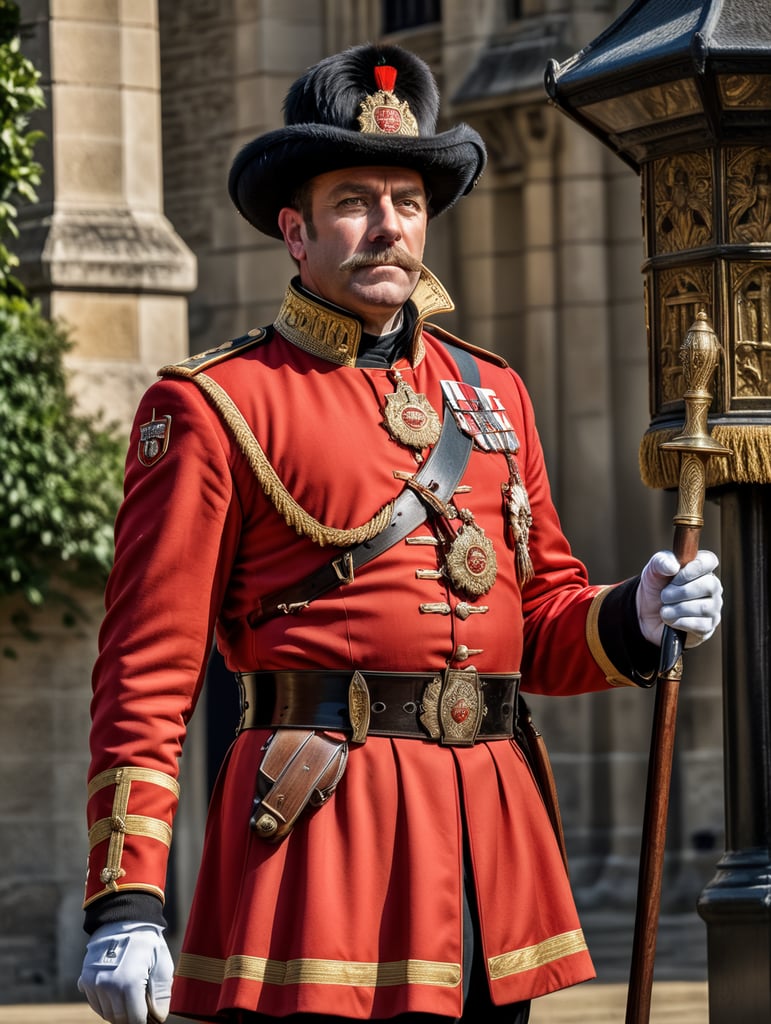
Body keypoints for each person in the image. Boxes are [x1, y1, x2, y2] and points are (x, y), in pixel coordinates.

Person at [76, 44, 722, 1024]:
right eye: (356, 202)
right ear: (294, 230)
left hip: (490, 843)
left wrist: (635, 612)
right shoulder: (215, 404)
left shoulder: (490, 392)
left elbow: (539, 621)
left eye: (409, 201)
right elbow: (145, 670)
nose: (390, 226)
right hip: (320, 840)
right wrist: (126, 897)